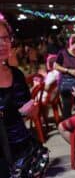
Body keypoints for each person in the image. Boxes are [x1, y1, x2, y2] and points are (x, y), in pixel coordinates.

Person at [0, 15, 39, 177]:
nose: (2, 44)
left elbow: (27, 110)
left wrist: (32, 111)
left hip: (22, 152)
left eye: (5, 38)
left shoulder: (16, 75)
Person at [54, 34, 75, 120]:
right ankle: (66, 126)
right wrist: (68, 70)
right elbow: (56, 66)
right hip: (65, 83)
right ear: (71, 43)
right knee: (67, 106)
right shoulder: (63, 53)